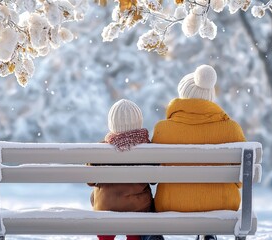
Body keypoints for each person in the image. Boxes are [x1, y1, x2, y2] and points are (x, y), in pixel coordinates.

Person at [152, 65, 246, 240]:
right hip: (223, 205)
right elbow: (240, 180)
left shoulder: (162, 130)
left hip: (171, 204)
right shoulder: (232, 129)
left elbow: (153, 175)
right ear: (210, 98)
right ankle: (208, 233)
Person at [88, 99, 164, 240]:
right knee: (143, 204)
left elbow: (90, 181)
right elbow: (154, 180)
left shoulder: (100, 149)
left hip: (105, 209)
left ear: (112, 124)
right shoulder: (147, 149)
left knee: (95, 197)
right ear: (139, 122)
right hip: (137, 210)